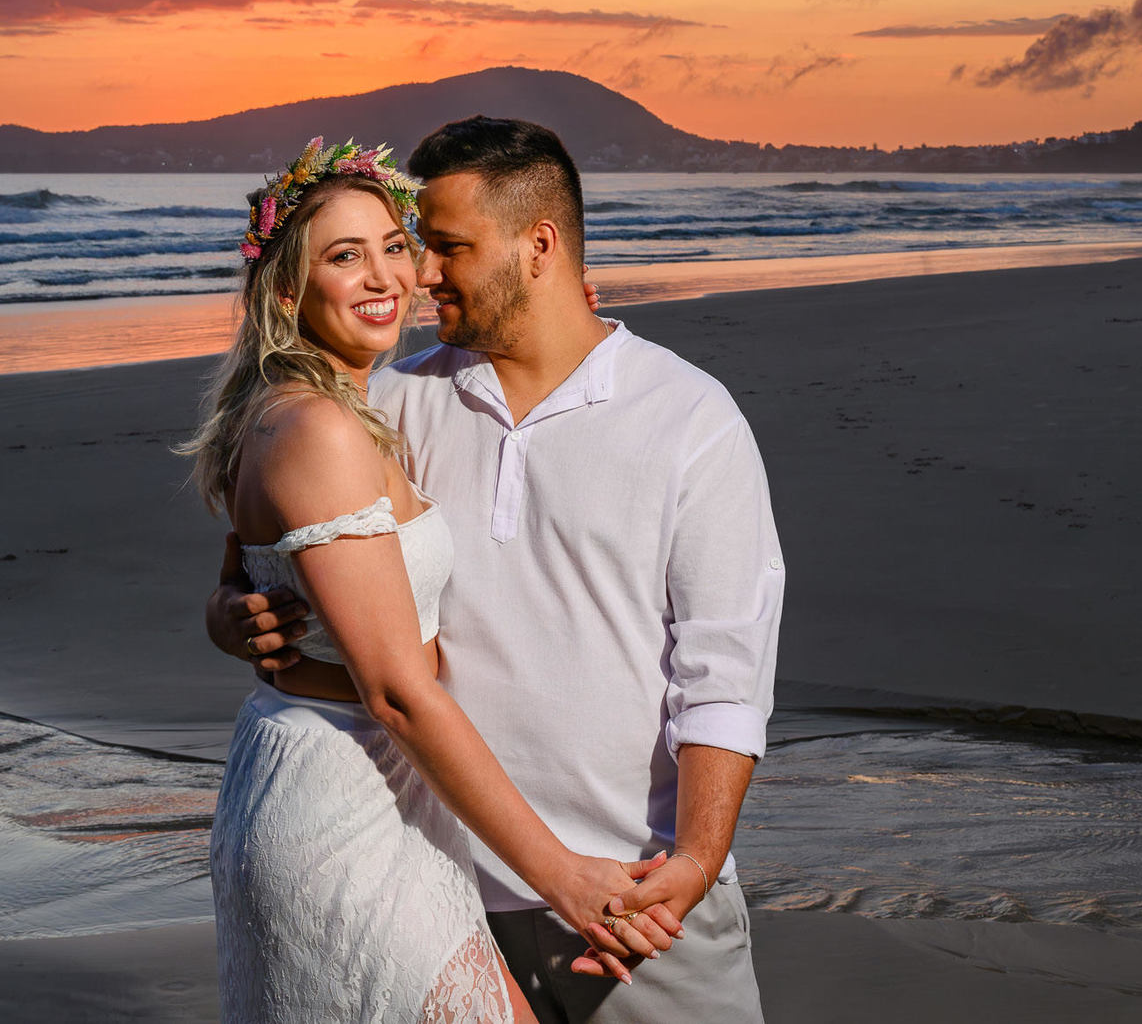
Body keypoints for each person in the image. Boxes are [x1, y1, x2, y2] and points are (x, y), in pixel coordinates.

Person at [209, 117, 785, 1023]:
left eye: (444, 247)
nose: (420, 274)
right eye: (417, 246)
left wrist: (695, 863)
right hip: (443, 878)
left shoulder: (689, 418)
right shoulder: (389, 403)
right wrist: (232, 612)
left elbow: (724, 672)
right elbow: (266, 555)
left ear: (538, 245)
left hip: (633, 892)